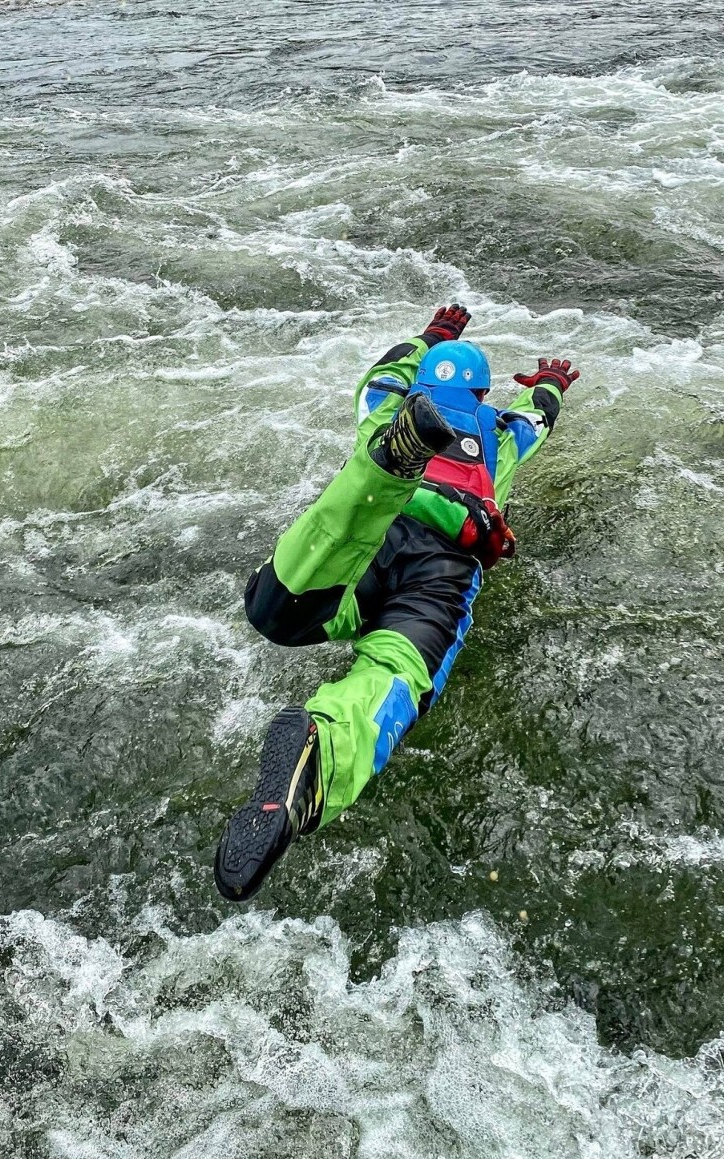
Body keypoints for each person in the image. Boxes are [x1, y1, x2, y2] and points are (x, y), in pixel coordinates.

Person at [214, 304, 579, 900]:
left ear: (422, 386)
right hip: (443, 572)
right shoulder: (500, 436)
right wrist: (552, 381)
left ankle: (380, 474)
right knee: (394, 675)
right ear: (485, 394)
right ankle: (320, 757)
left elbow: (381, 373)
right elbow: (539, 419)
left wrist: (432, 335)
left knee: (296, 592)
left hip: (375, 541)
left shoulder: (387, 402)